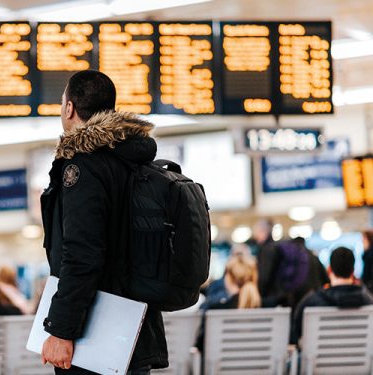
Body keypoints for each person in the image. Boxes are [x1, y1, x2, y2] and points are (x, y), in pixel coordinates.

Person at [40, 70, 167, 374]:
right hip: (135, 328)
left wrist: (62, 330)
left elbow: (82, 253)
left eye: (62, 104)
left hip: (96, 334)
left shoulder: (84, 167)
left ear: (69, 108)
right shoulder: (134, 162)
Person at [291, 247, 373, 345]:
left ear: (329, 270)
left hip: (320, 359)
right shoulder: (368, 301)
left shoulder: (311, 302)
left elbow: (295, 336)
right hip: (359, 359)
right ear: (353, 271)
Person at [195, 254, 261, 352]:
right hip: (253, 364)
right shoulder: (262, 308)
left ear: (229, 277)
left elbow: (199, 345)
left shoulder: (212, 308)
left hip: (218, 364)